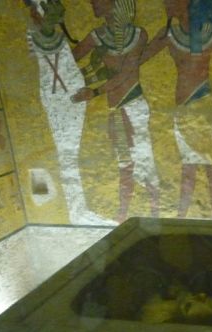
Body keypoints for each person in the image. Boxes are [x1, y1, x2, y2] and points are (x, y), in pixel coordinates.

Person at [139, 0, 212, 219]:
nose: (165, 3)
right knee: (188, 168)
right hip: (181, 112)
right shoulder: (169, 34)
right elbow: (138, 58)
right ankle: (182, 217)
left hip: (203, 107)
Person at [25, 0, 113, 225]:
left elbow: (67, 65)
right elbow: (50, 59)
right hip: (59, 102)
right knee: (66, 156)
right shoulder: (38, 35)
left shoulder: (53, 36)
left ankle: (77, 209)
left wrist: (91, 76)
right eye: (46, 7)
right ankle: (74, 211)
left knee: (72, 155)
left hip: (70, 100)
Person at [72, 0, 160, 222]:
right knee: (124, 163)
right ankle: (123, 213)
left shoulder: (138, 35)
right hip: (115, 109)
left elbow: (126, 74)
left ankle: (155, 210)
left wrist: (94, 91)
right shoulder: (97, 36)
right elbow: (70, 60)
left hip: (133, 105)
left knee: (144, 160)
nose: (92, 3)